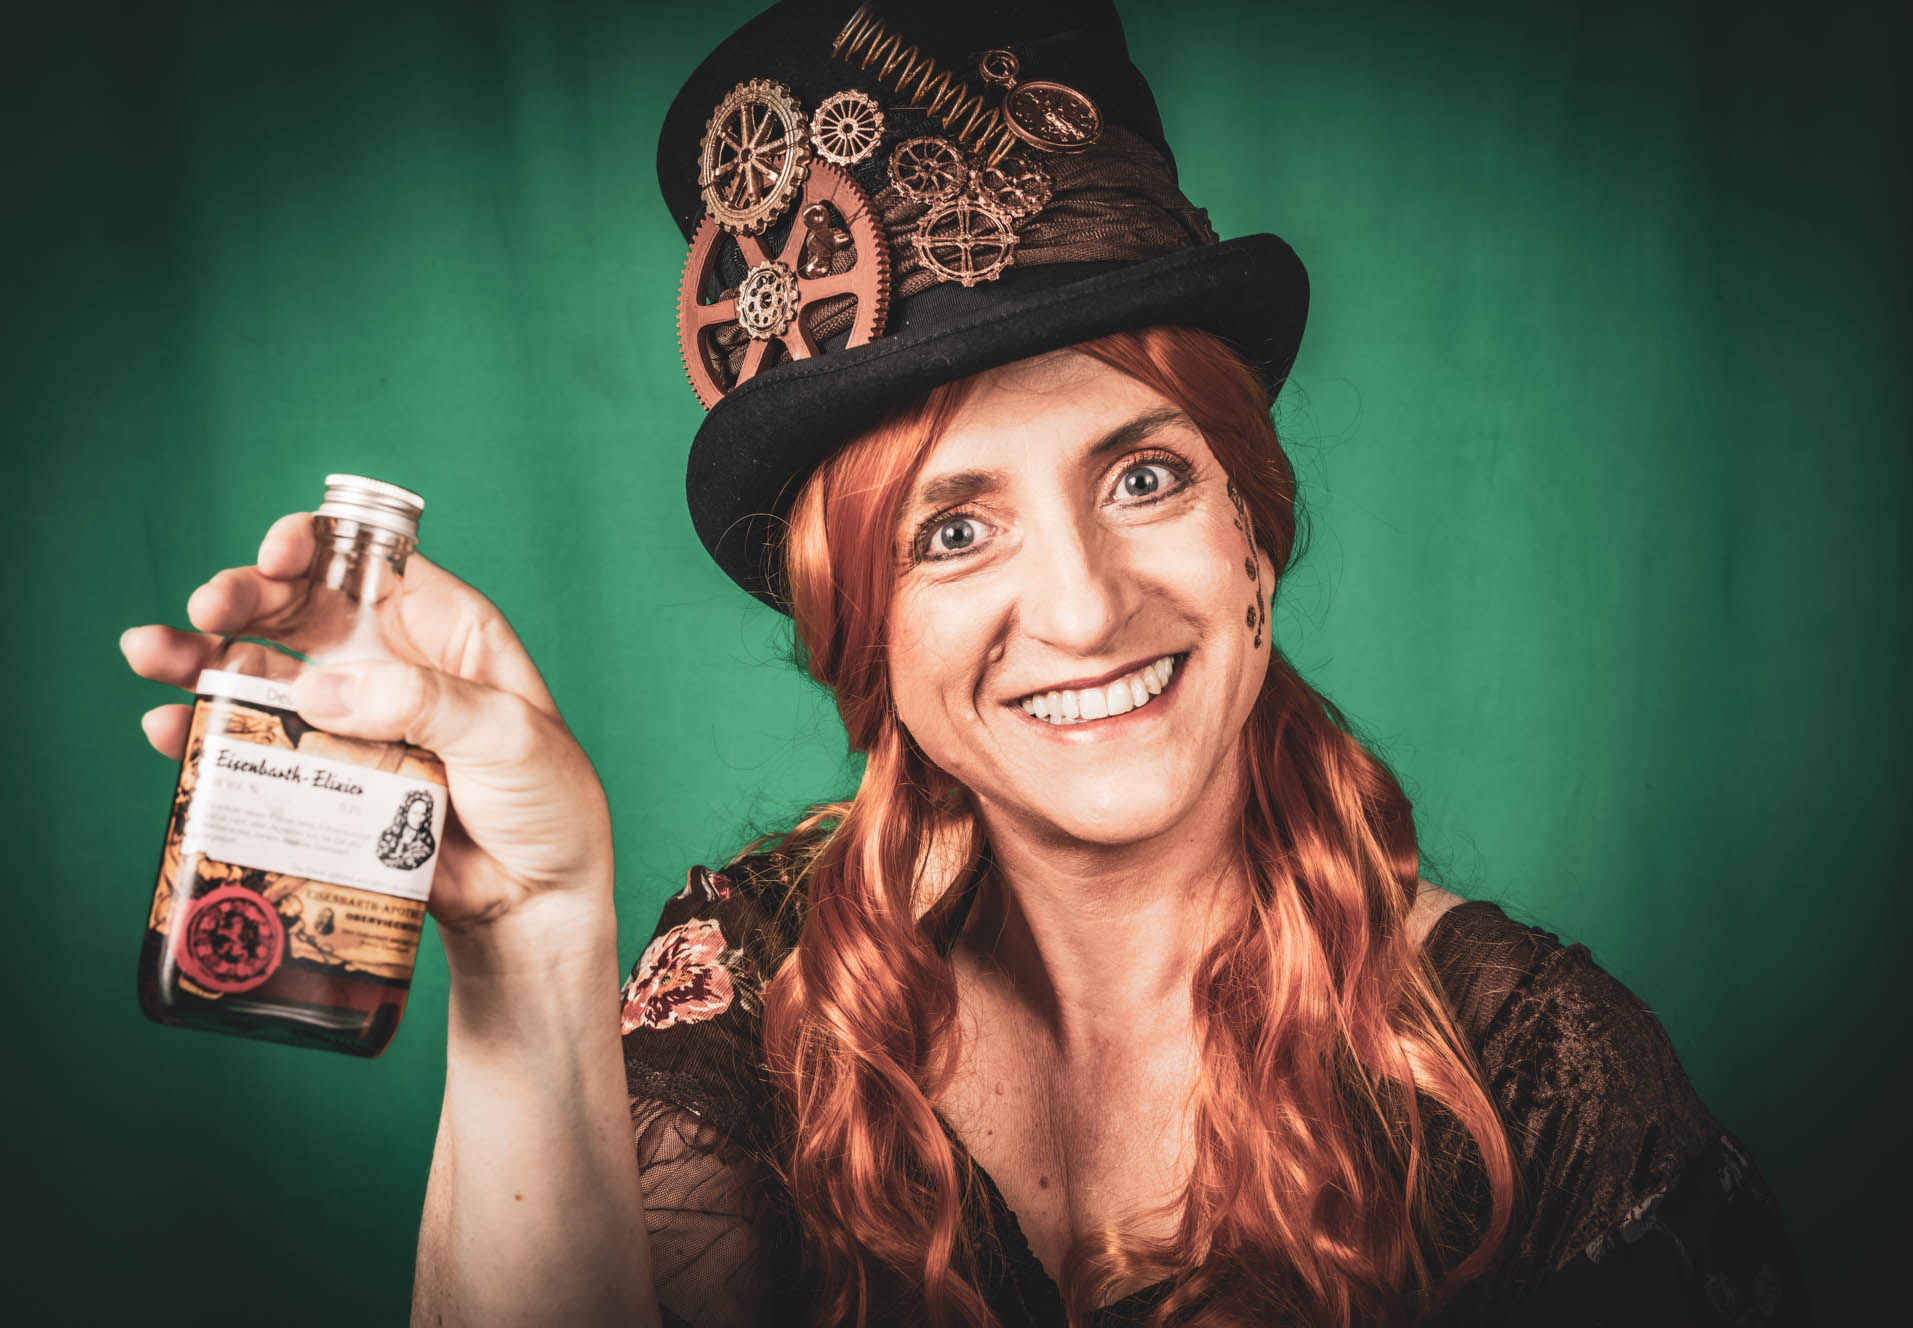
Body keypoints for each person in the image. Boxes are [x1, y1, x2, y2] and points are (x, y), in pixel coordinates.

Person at [120, 2, 1810, 1324]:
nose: (1081, 612)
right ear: (863, 633)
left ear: (1251, 533)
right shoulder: (759, 980)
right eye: (952, 530)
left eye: (1144, 476)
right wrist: (531, 942)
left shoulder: (1536, 1079)